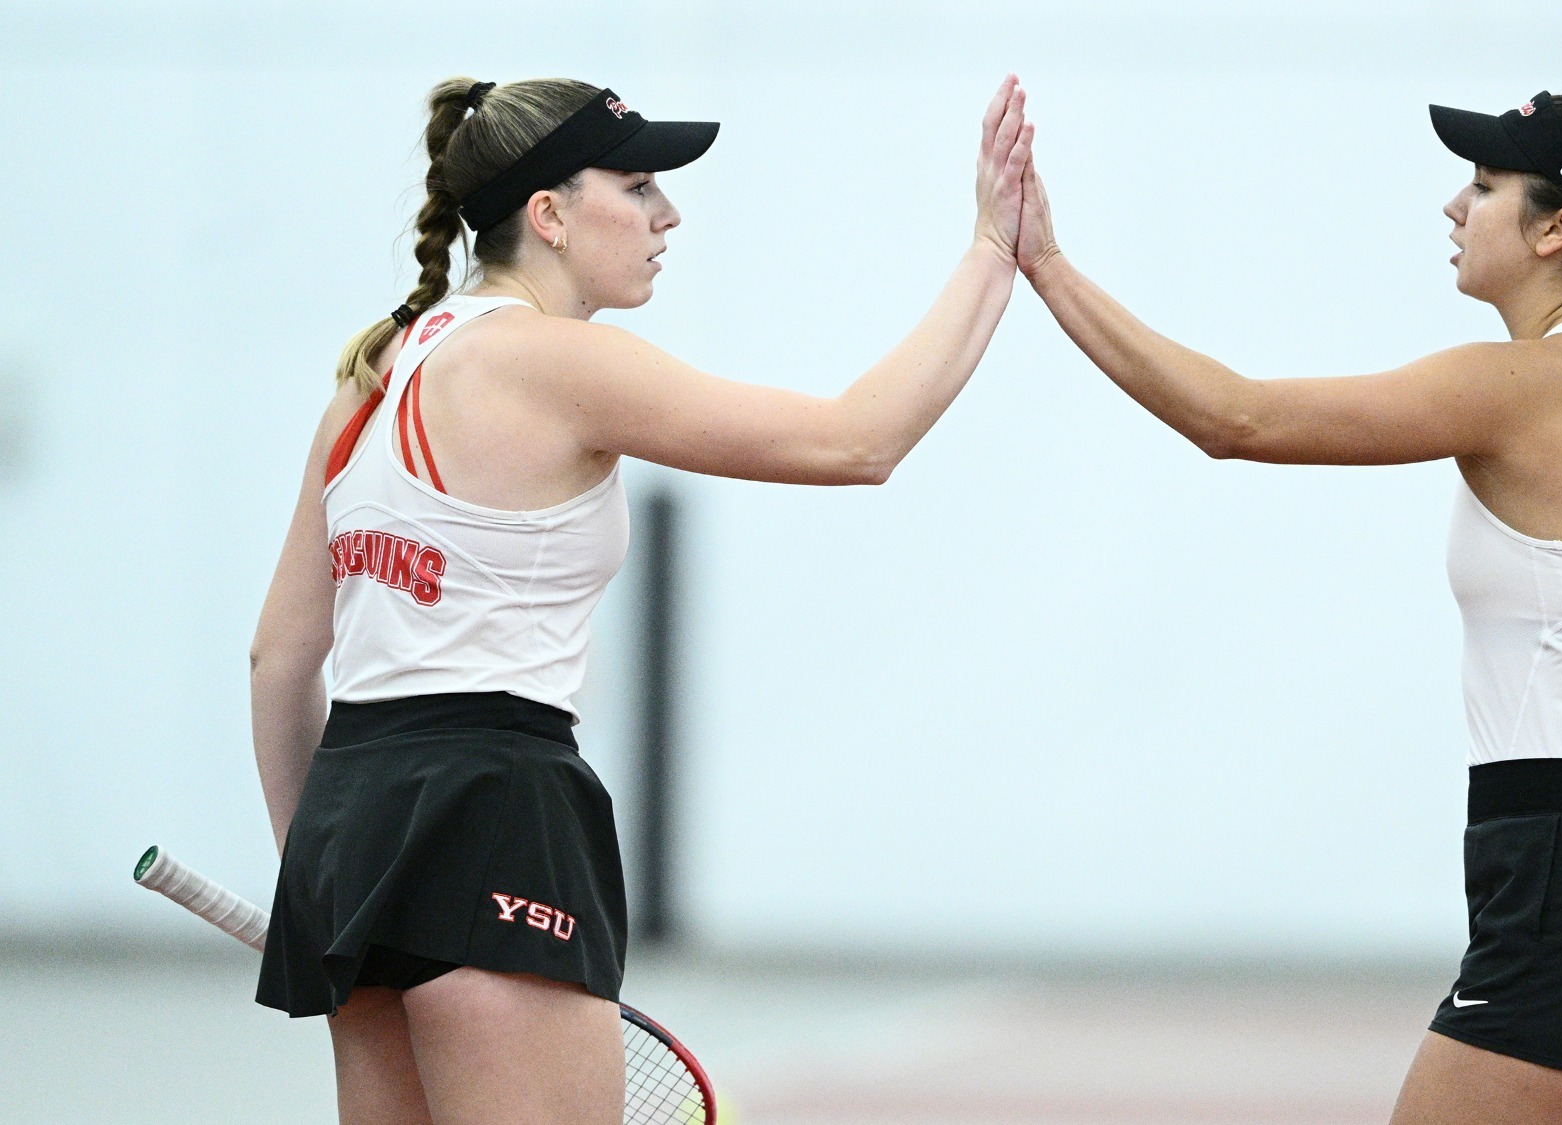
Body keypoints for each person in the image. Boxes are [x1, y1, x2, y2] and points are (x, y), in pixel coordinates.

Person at [1013, 90, 1562, 1123]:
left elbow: (1234, 417)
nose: (1454, 205)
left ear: (1556, 229)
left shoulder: (1516, 386)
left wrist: (1047, 267)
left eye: (1484, 187)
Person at [248, 74, 1034, 1123]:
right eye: (638, 184)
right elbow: (856, 441)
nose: (668, 215)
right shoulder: (558, 363)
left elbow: (281, 659)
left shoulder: (372, 370)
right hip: (495, 807)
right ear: (551, 215)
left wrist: (316, 872)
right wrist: (993, 253)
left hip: (353, 814)